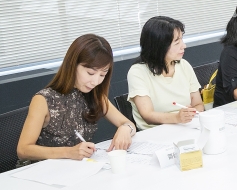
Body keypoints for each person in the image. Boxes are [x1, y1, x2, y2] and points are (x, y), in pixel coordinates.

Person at [17, 35, 135, 163]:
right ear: (73, 65)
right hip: (44, 171)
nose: (95, 81)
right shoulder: (44, 99)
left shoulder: (95, 95)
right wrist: (69, 152)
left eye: (102, 74)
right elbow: (23, 150)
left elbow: (129, 124)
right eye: (90, 73)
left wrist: (125, 129)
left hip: (78, 168)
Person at [128, 16, 204, 130]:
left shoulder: (184, 65)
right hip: (155, 133)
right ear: (159, 47)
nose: (184, 46)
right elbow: (147, 115)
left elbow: (199, 105)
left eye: (182, 40)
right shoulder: (137, 72)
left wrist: (191, 113)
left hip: (186, 127)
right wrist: (177, 118)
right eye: (177, 42)